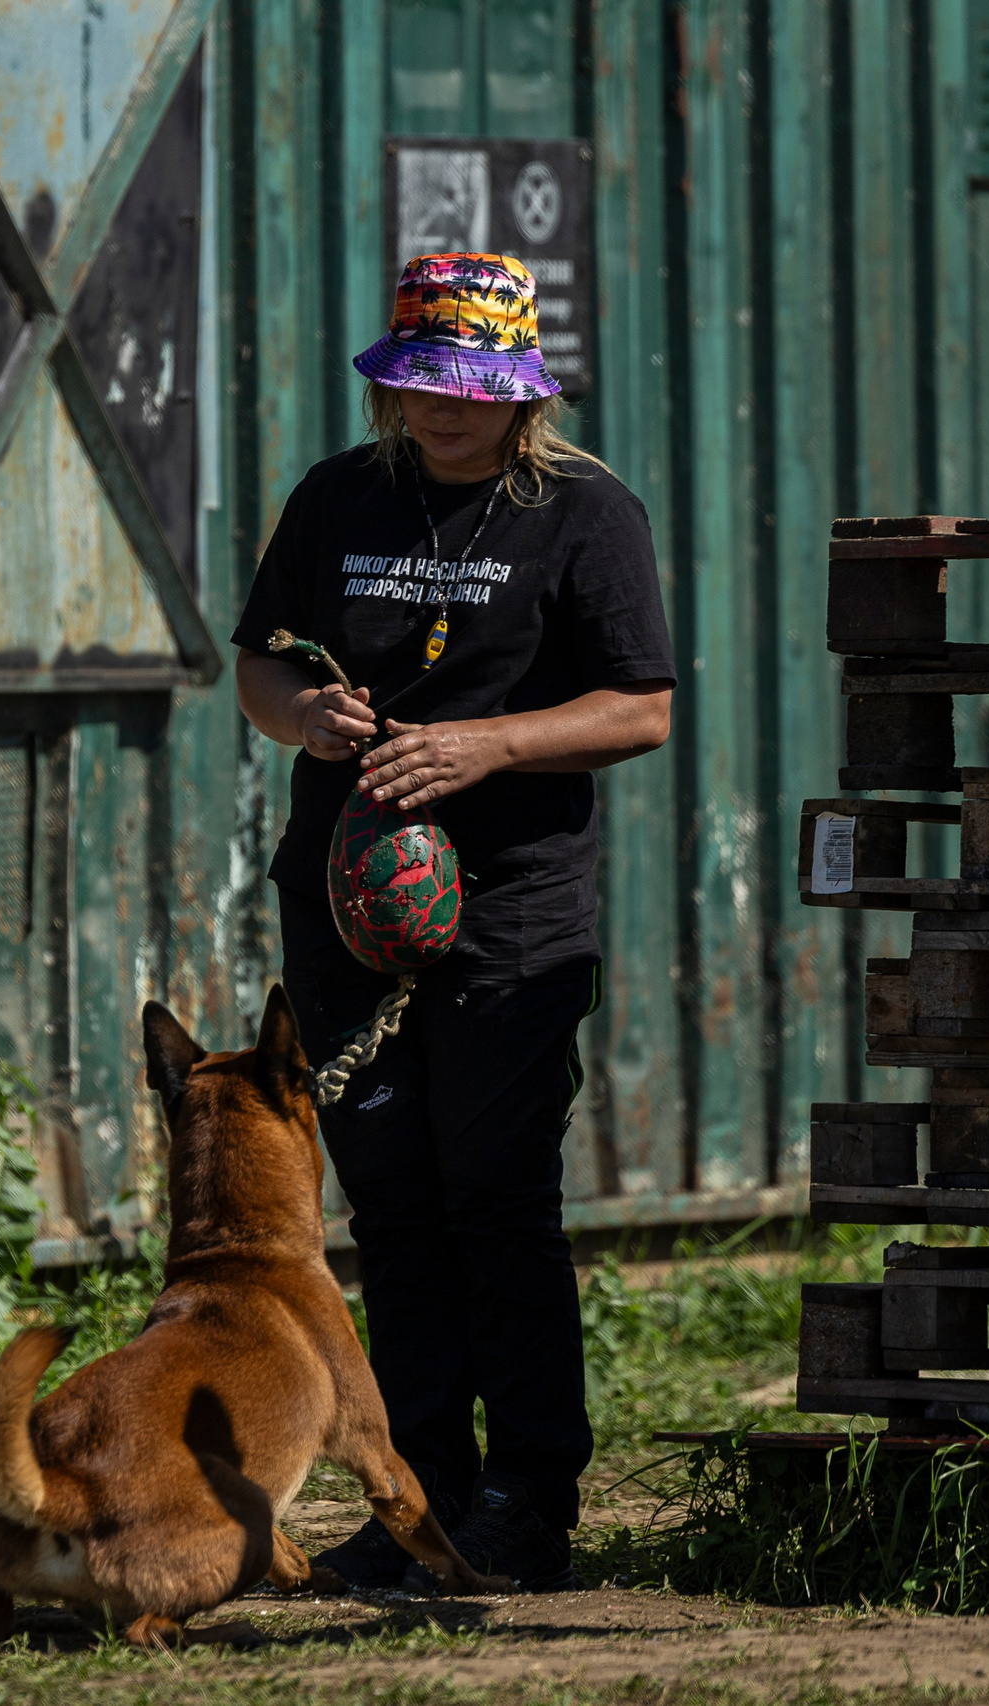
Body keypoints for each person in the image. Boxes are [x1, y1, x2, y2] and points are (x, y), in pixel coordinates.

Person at [229, 252, 674, 1593]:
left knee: (496, 1196)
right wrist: (302, 714)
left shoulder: (586, 514)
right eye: (416, 380)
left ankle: (529, 1496)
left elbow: (641, 707)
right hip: (349, 910)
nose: (437, 407)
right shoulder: (339, 496)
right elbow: (258, 661)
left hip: (513, 920)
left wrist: (492, 745)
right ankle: (413, 1495)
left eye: (465, 386)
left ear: (521, 390)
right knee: (394, 1203)